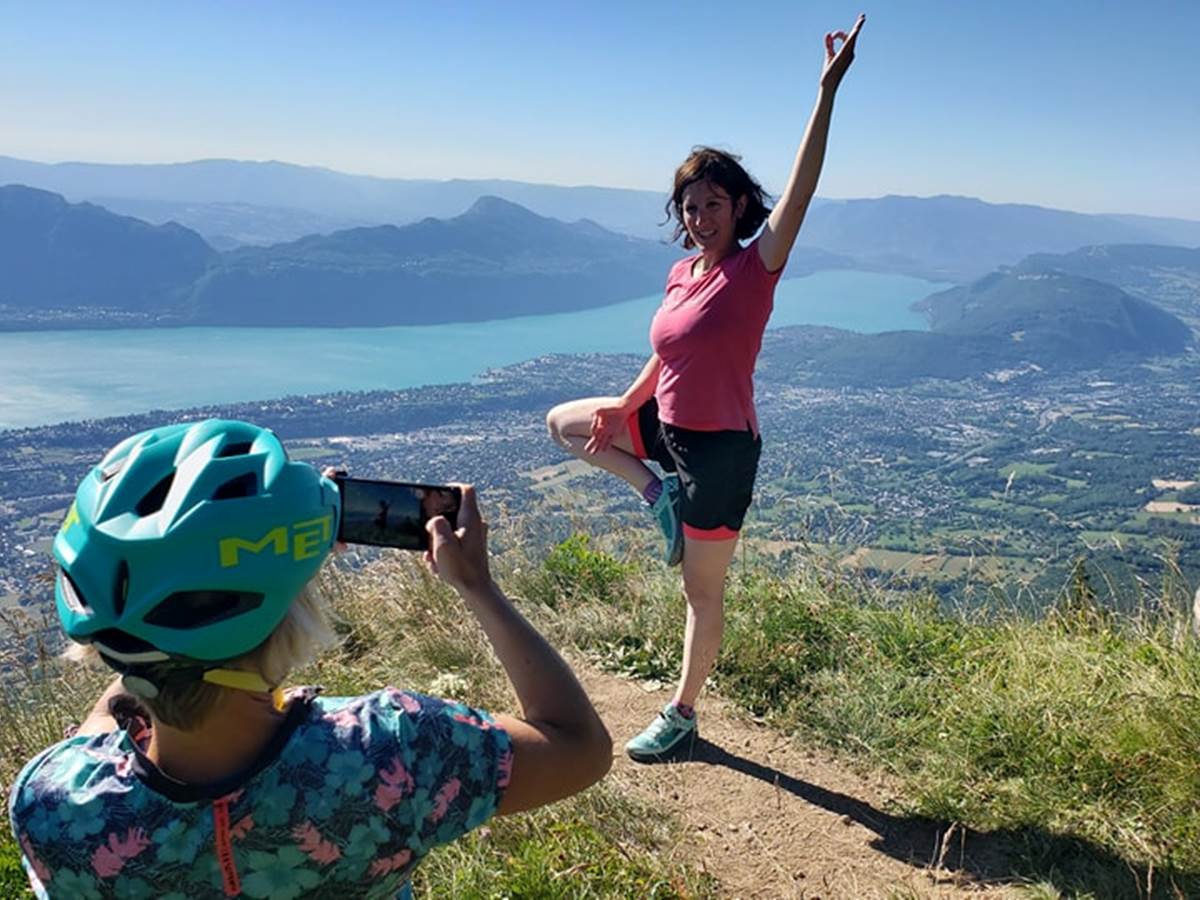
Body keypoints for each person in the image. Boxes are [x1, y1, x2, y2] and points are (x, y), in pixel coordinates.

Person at [8, 418, 611, 899]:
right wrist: (478, 586)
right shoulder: (392, 754)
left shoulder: (55, 808)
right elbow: (577, 746)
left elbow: (118, 698)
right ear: (283, 620)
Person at [546, 16, 865, 761]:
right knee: (565, 422)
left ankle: (683, 713)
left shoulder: (757, 267)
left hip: (720, 451)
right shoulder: (681, 273)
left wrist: (827, 90)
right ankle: (661, 499)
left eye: (713, 205)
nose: (699, 218)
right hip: (667, 425)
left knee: (701, 592)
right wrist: (625, 408)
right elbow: (669, 354)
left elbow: (805, 185)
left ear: (741, 208)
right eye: (689, 207)